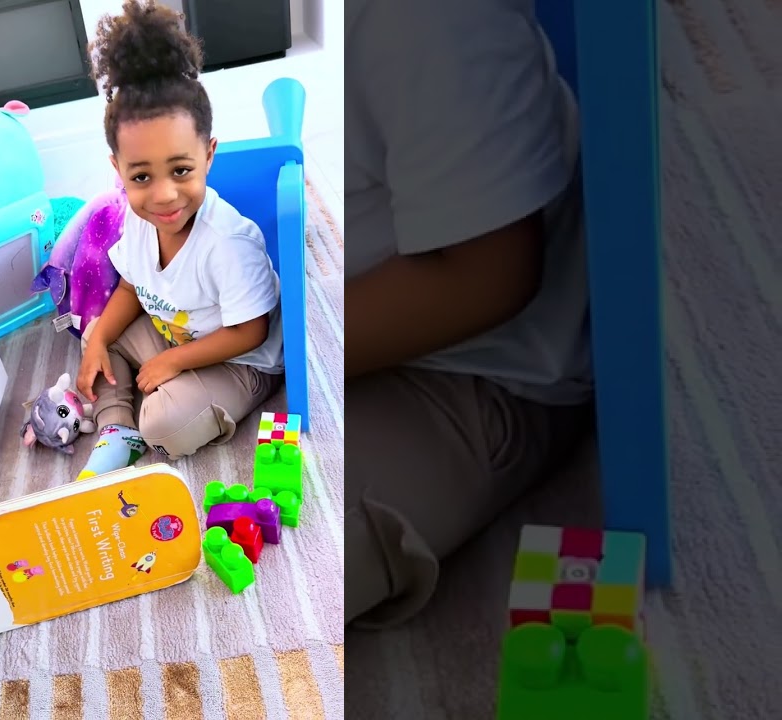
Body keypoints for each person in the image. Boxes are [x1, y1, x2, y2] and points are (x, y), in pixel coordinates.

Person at [345, 0, 595, 626]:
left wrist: (281, 343)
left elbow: (488, 278)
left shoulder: (426, 21)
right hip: (343, 308)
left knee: (247, 551)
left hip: (473, 371)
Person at [73, 0, 285, 481]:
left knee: (164, 423)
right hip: (174, 336)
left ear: (208, 156)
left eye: (181, 170)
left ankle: (145, 415)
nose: (164, 195)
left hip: (239, 361)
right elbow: (130, 288)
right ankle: (116, 429)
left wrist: (174, 361)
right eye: (141, 176)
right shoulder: (137, 220)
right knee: (96, 334)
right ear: (119, 172)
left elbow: (251, 331)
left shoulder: (228, 241)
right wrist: (100, 341)